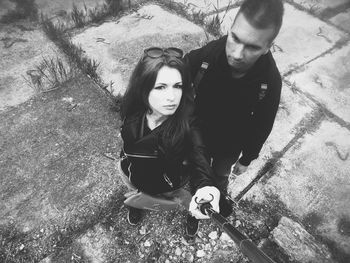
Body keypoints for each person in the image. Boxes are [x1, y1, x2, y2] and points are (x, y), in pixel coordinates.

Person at [185, 0, 284, 195]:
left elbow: (263, 124)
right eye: (235, 38)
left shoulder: (270, 81)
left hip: (229, 146)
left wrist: (247, 157)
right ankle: (194, 205)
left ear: (267, 47)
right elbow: (180, 67)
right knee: (195, 173)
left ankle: (215, 202)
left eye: (253, 47)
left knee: (220, 178)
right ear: (229, 29)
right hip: (198, 135)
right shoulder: (211, 54)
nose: (237, 54)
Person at [119, 47, 220, 237]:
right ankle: (137, 204)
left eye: (178, 86)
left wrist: (206, 187)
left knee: (190, 203)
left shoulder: (189, 125)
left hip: (171, 184)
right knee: (137, 194)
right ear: (143, 88)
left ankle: (194, 215)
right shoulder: (133, 111)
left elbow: (200, 156)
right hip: (134, 175)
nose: (172, 97)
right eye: (160, 87)